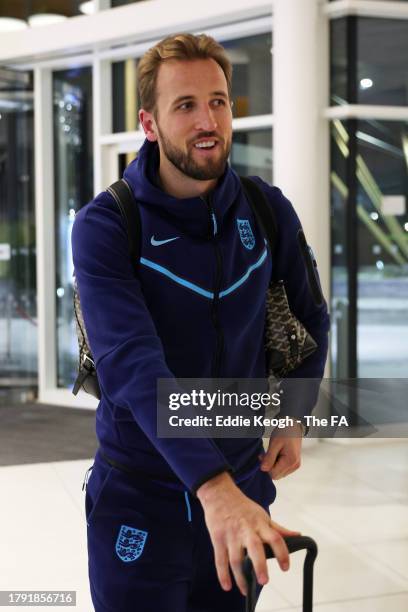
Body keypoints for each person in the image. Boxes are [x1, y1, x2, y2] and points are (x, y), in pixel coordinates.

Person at [71, 33, 329, 612]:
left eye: (217, 101)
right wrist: (213, 489)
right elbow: (133, 363)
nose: (207, 119)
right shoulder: (107, 225)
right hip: (139, 496)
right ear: (150, 123)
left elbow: (308, 321)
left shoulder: (267, 210)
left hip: (243, 488)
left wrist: (291, 417)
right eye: (185, 105)